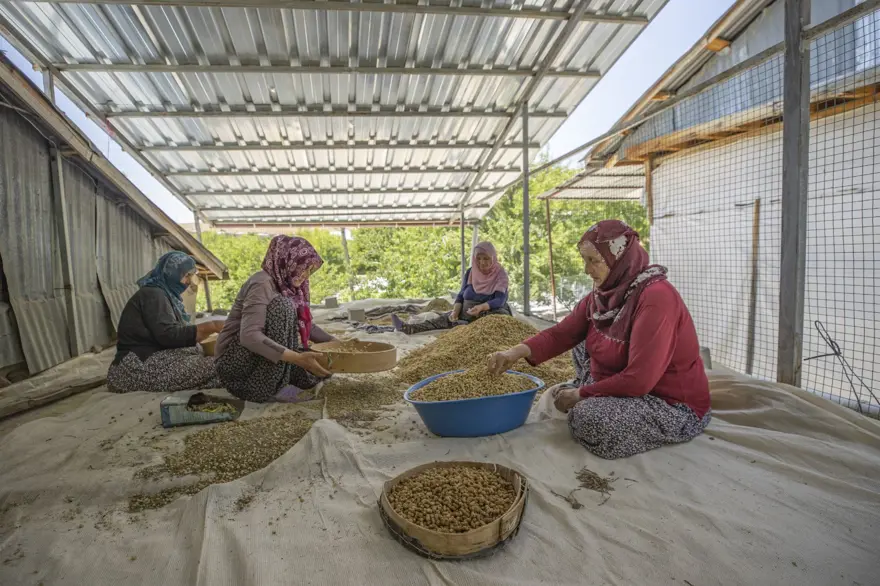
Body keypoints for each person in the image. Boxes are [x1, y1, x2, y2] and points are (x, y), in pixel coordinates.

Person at [487, 220, 711, 459]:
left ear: (620, 259)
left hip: (665, 400)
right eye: (584, 260)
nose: (586, 269)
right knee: (583, 337)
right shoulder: (605, 293)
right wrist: (513, 353)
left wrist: (580, 394)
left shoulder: (656, 299)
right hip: (625, 382)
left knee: (590, 419)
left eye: (593, 260)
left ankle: (596, 395)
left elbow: (640, 380)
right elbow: (562, 333)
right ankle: (597, 391)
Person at [215, 235, 334, 403]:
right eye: (303, 268)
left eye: (310, 270)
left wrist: (337, 344)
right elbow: (249, 336)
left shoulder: (288, 285)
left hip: (257, 356)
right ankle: (268, 388)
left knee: (319, 370)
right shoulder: (262, 283)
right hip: (234, 362)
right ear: (288, 261)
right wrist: (298, 359)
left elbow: (306, 325)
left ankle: (279, 380)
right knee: (282, 306)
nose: (306, 275)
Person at [108, 251, 223, 393]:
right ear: (172, 273)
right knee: (221, 365)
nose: (189, 281)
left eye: (191, 276)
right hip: (135, 367)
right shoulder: (154, 294)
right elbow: (168, 335)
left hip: (150, 358)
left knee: (215, 366)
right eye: (186, 276)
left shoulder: (166, 295)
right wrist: (212, 326)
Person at [392, 241, 511, 334]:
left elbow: (499, 300)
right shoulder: (471, 272)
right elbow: (461, 295)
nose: (482, 262)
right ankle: (408, 328)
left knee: (496, 320)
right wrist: (455, 311)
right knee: (443, 319)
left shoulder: (500, 274)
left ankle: (468, 327)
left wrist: (481, 307)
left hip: (487, 313)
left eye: (486, 258)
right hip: (465, 313)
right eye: (478, 258)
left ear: (493, 258)